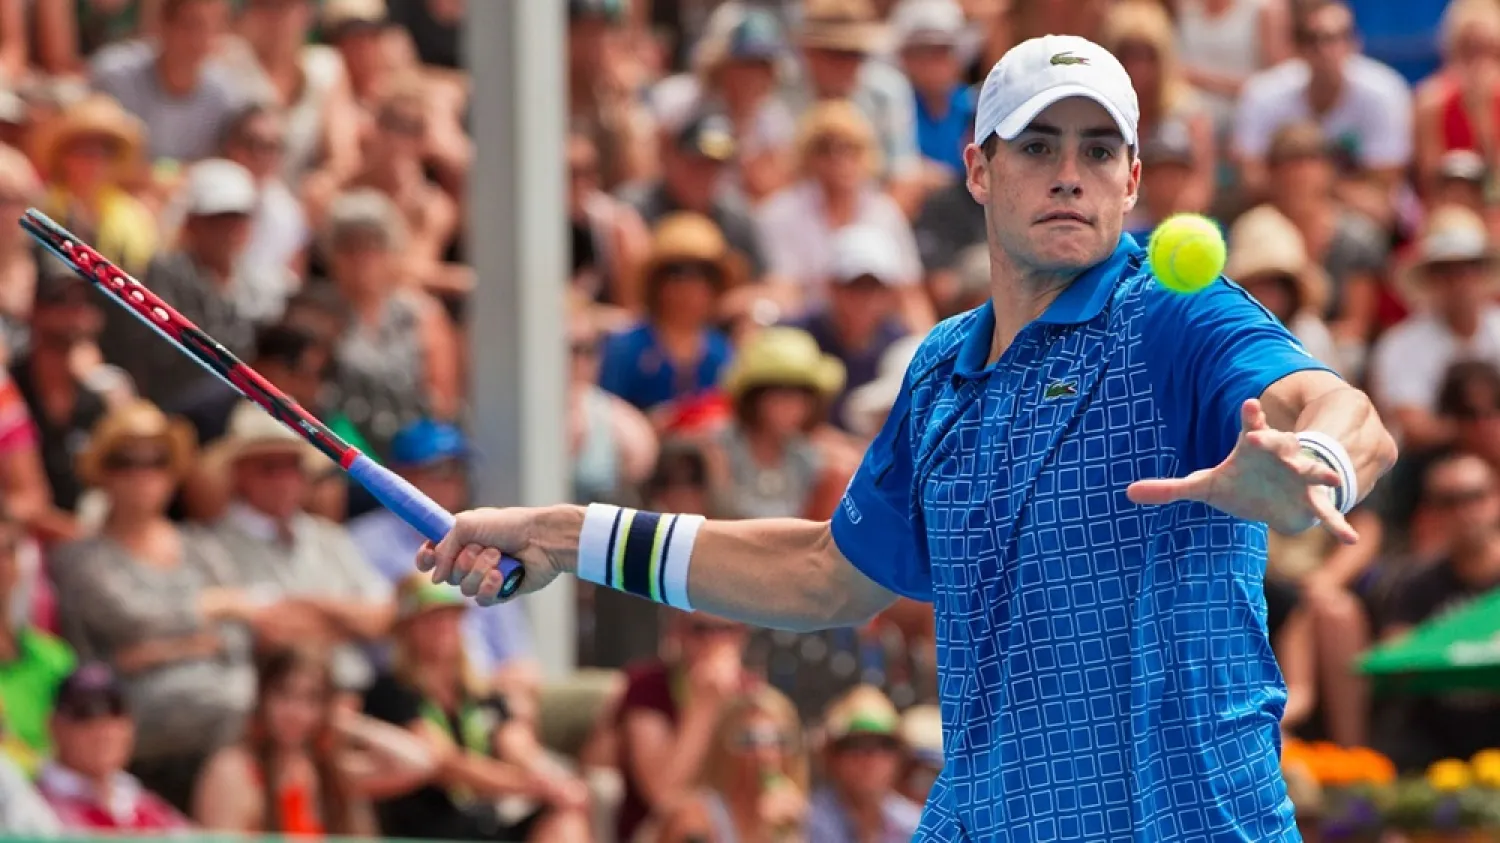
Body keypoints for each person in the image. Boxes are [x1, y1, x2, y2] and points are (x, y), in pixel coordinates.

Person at [421, 34, 1398, 840]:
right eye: (1037, 147)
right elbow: (824, 574)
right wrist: (565, 535)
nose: (1071, 175)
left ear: (1133, 177)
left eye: (1100, 151)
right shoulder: (939, 371)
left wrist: (1314, 462)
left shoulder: (1177, 314)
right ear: (977, 168)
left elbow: (1339, 410)